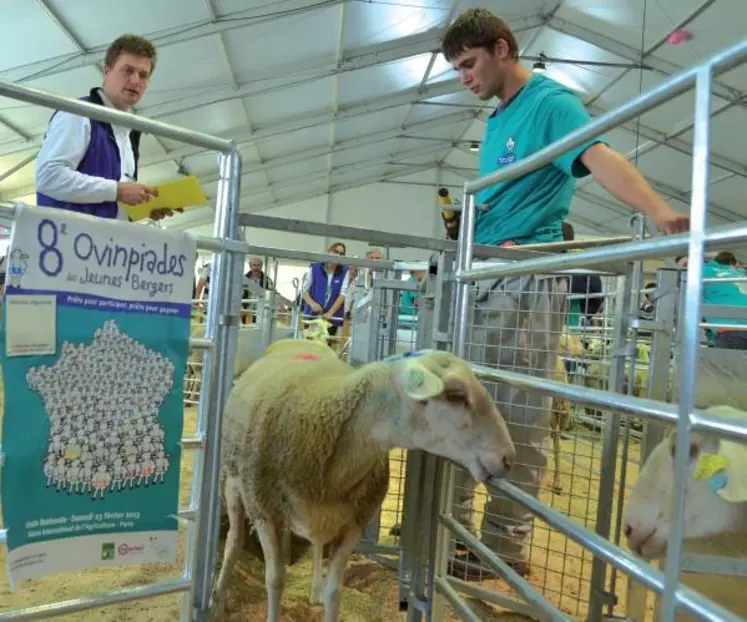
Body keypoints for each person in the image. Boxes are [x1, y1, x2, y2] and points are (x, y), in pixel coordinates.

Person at [440, 8, 690, 580]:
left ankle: (503, 547)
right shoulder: (500, 118)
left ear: (502, 49)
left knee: (520, 416)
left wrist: (658, 213)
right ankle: (452, 527)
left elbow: (599, 156)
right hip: (484, 275)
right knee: (464, 408)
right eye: (457, 69)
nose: (465, 78)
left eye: (470, 63)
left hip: (527, 274)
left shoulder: (550, 104)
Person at [35, 34, 177, 223]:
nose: (136, 81)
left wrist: (144, 208)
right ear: (107, 72)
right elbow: (49, 177)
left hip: (103, 246)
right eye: (128, 70)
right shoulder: (78, 113)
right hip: (65, 242)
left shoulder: (131, 133)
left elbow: (113, 201)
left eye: (143, 75)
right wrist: (117, 190)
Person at [301, 242, 349, 339]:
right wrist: (312, 304)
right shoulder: (315, 267)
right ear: (329, 252)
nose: (338, 255)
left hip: (331, 319)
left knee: (325, 347)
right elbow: (304, 290)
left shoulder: (344, 271)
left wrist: (330, 313)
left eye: (341, 254)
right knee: (310, 345)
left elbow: (343, 294)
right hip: (312, 316)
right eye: (336, 252)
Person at [702, 251, 747, 350]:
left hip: (729, 329)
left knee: (733, 365)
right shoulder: (741, 274)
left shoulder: (704, 271)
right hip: (734, 328)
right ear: (734, 264)